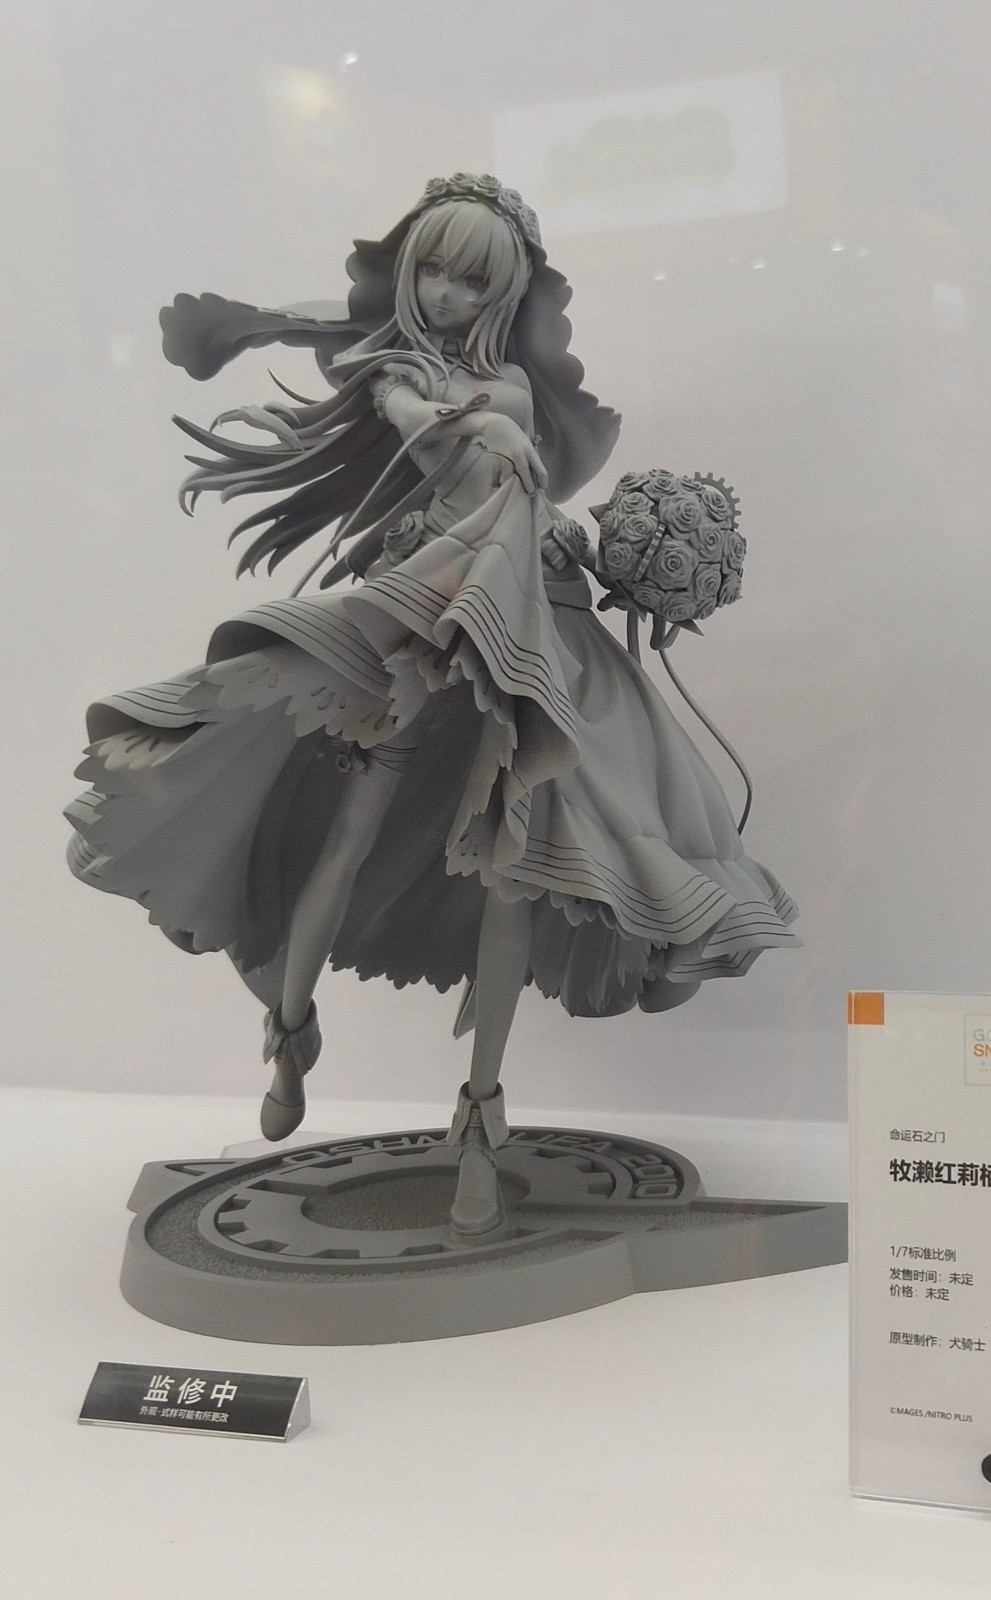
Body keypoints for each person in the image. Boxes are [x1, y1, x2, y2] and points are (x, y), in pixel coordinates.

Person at [67, 174, 797, 1243]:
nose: (451, 295)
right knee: (349, 836)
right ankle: (289, 1031)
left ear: (505, 296)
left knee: (519, 863)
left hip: (529, 624)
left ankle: (481, 1114)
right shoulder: (400, 376)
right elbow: (420, 428)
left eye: (475, 281)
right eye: (437, 271)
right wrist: (391, 382)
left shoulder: (507, 386)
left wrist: (620, 552)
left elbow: (499, 458)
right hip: (430, 619)